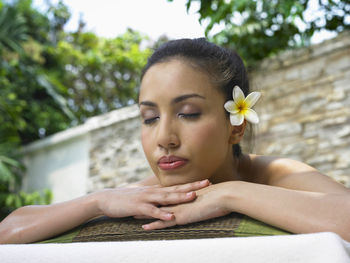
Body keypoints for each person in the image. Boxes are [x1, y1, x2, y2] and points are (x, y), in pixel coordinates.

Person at [1, 38, 350, 244]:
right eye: (150, 118)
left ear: (236, 127)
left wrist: (230, 194)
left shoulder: (277, 173)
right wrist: (97, 202)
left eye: (188, 113)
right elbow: (9, 230)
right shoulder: (150, 192)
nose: (164, 138)